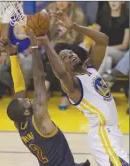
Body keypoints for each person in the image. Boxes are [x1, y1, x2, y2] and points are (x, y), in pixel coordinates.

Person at [36, 16, 129, 165]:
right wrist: (47, 43)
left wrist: (74, 26)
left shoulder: (90, 68)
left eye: (71, 53)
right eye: (65, 56)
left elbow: (103, 40)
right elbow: (60, 73)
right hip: (102, 133)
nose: (71, 55)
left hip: (114, 132)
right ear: (62, 64)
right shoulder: (72, 85)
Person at [0, 32, 90, 166]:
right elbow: (39, 78)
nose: (25, 99)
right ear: (25, 112)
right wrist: (35, 47)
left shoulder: (19, 124)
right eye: (24, 102)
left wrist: (13, 56)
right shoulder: (39, 116)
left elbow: (19, 88)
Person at [95, 1, 129, 75]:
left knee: (104, 50)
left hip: (120, 53)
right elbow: (95, 37)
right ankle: (105, 79)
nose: (113, 2)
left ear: (123, 1)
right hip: (103, 51)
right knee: (107, 60)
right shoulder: (101, 16)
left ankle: (95, 78)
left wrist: (106, 48)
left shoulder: (127, 19)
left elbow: (124, 46)